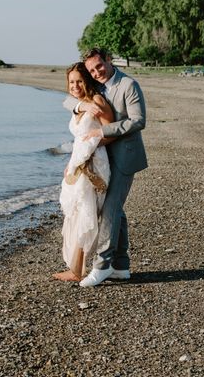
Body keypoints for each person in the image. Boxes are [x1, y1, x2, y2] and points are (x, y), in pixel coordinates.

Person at [63, 48, 148, 287]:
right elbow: (70, 97)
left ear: (108, 61)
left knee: (110, 211)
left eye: (99, 66)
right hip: (103, 159)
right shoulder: (96, 85)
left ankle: (102, 266)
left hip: (125, 157)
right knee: (116, 211)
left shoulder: (128, 85)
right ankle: (121, 266)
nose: (96, 72)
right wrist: (81, 108)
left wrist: (102, 131)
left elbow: (138, 120)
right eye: (92, 69)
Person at [53, 62, 114, 282]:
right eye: (71, 82)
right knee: (77, 213)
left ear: (87, 80)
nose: (75, 85)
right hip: (79, 163)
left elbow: (111, 131)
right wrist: (72, 161)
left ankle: (77, 270)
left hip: (94, 165)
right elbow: (78, 134)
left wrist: (91, 149)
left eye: (79, 80)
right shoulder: (80, 103)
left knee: (85, 214)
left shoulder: (97, 101)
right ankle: (76, 267)